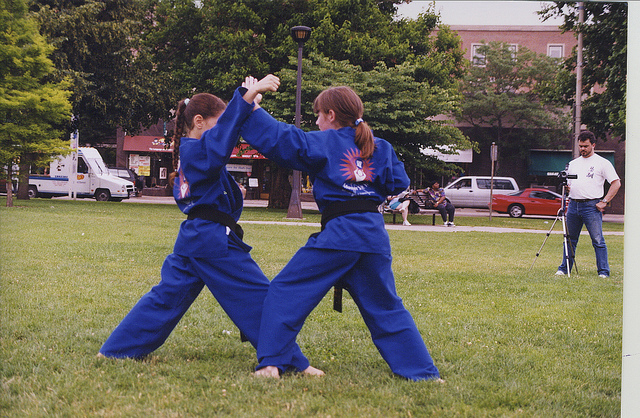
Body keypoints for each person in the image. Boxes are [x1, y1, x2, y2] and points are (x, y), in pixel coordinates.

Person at [98, 76, 322, 376]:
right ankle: (293, 362)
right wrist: (245, 98)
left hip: (197, 239)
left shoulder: (192, 153)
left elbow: (214, 164)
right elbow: (219, 147)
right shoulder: (197, 151)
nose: (225, 134)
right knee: (258, 298)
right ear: (200, 122)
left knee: (167, 298)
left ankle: (114, 350)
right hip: (212, 241)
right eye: (219, 126)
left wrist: (248, 105)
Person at [240, 80, 440, 381]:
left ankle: (271, 364)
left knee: (286, 292)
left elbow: (281, 138)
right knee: (385, 307)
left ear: (331, 114)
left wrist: (251, 105)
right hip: (373, 236)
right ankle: (424, 374)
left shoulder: (324, 143)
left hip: (340, 235)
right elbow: (397, 184)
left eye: (318, 115)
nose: (317, 122)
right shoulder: (380, 146)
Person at [555, 130, 621, 278]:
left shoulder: (603, 163)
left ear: (593, 145)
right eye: (580, 146)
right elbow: (570, 184)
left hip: (592, 206)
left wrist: (605, 201)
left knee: (597, 240)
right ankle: (564, 269)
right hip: (573, 205)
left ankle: (603, 272)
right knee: (570, 239)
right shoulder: (573, 164)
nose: (582, 149)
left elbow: (616, 183)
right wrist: (567, 188)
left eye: (585, 146)